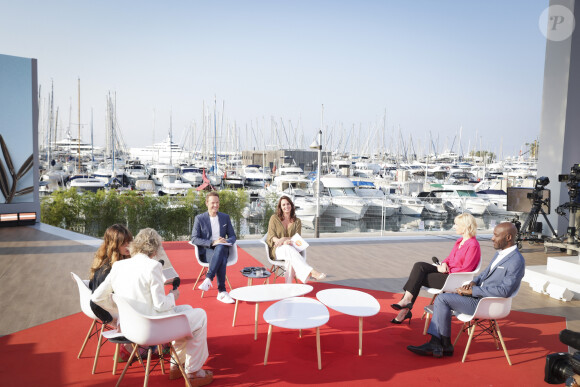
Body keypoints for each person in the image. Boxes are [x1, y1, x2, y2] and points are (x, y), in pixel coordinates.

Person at [92, 228, 213, 385]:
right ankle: (194, 371)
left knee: (188, 310)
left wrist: (119, 311)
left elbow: (96, 297)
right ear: (155, 249)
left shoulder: (118, 266)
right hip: (153, 329)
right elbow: (161, 304)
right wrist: (173, 296)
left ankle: (178, 365)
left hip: (132, 327)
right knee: (200, 315)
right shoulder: (153, 266)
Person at [407, 222, 525, 358]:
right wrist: (473, 283)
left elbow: (505, 291)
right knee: (442, 300)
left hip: (486, 303)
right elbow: (484, 274)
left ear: (508, 237)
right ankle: (442, 344)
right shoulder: (501, 254)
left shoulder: (516, 261)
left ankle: (441, 344)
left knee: (442, 299)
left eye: (496, 235)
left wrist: (473, 292)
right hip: (478, 297)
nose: (492, 238)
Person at [390, 213, 481, 324]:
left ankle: (405, 307)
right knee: (419, 266)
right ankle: (406, 302)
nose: (454, 226)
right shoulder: (459, 241)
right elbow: (449, 258)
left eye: (457, 224)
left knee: (418, 277)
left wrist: (448, 270)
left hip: (453, 279)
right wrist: (443, 264)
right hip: (446, 273)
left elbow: (467, 268)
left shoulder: (473, 245)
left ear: (465, 226)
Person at [267, 195, 326, 283]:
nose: (286, 206)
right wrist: (281, 241)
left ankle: (288, 287)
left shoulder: (297, 221)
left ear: (291, 205)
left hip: (292, 248)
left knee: (290, 258)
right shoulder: (274, 218)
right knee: (288, 249)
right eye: (283, 205)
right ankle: (311, 272)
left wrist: (285, 239)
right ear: (280, 207)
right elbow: (271, 236)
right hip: (277, 249)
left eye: (288, 204)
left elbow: (297, 237)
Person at [191, 191, 237, 304]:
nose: (215, 205)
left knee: (221, 247)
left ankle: (208, 279)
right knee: (221, 257)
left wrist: (226, 241)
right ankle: (222, 291)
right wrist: (212, 243)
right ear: (207, 203)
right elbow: (194, 239)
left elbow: (233, 236)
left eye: (217, 203)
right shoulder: (199, 218)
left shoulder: (225, 217)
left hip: (223, 248)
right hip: (207, 251)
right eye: (212, 203)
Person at [88, 224, 133, 324]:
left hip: (112, 310)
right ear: (114, 245)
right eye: (123, 243)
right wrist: (111, 320)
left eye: (129, 241)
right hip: (114, 314)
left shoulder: (103, 262)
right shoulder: (109, 270)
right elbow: (95, 303)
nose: (128, 246)